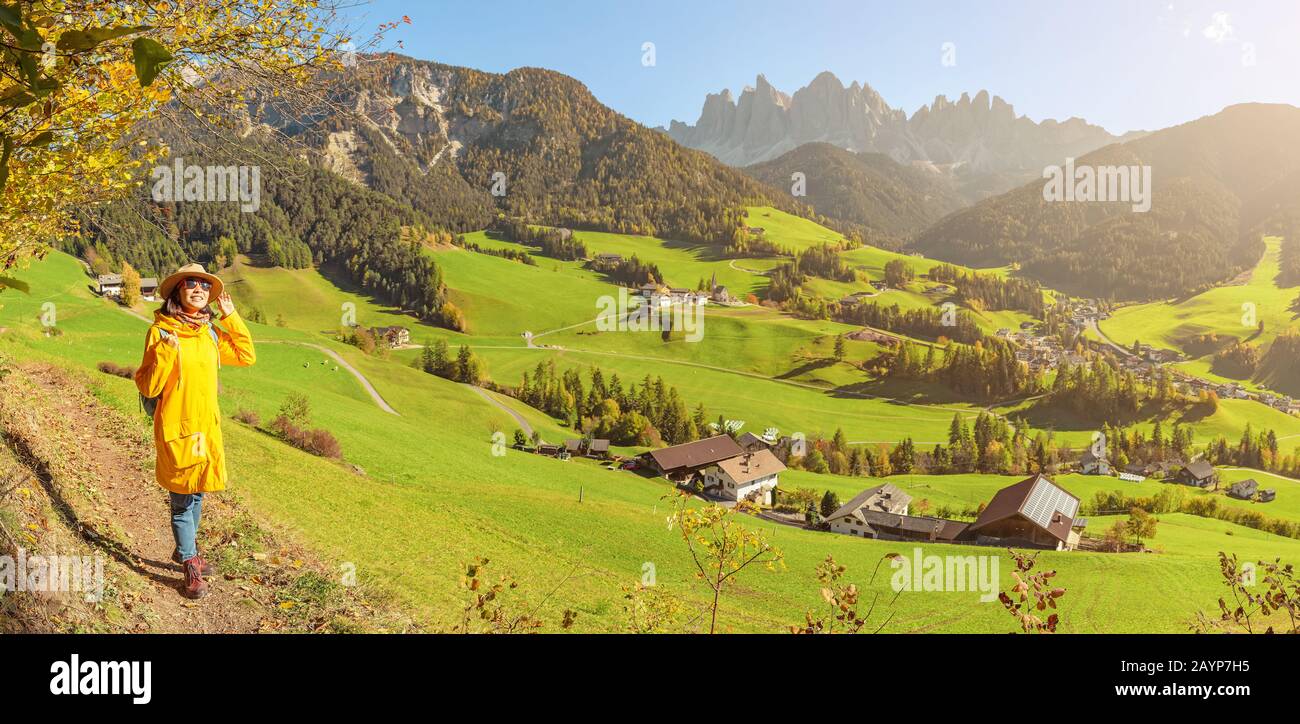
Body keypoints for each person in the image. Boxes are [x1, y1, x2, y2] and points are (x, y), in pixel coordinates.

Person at [133, 263, 256, 599]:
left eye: (204, 285)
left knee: (198, 490)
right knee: (183, 500)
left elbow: (246, 355)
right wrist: (165, 351)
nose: (199, 289)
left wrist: (230, 317)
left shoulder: (209, 333)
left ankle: (186, 550)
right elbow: (147, 383)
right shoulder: (161, 332)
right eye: (191, 283)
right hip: (177, 426)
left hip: (206, 427)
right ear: (178, 291)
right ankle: (188, 562)